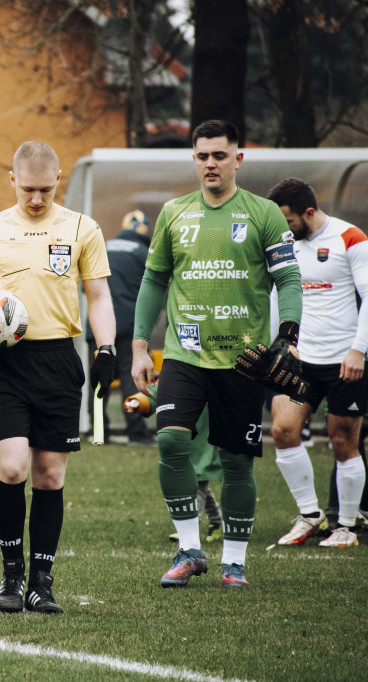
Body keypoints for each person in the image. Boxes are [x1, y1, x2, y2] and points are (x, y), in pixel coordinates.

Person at [131, 120, 304, 590]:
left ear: (237, 159)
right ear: (194, 159)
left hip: (244, 358)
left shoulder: (264, 213)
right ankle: (189, 550)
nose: (210, 163)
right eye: (203, 156)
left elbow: (288, 280)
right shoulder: (173, 212)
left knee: (235, 462)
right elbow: (153, 281)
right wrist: (140, 346)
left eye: (220, 155)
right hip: (185, 355)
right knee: (170, 442)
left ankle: (233, 562)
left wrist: (287, 336)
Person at [0, 140, 116, 615]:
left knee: (49, 476)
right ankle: (11, 574)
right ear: (12, 181)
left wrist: (105, 346)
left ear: (58, 180)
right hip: (4, 363)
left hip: (58, 360)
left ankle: (42, 582)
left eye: (46, 189)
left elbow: (99, 296)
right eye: (28, 189)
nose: (37, 199)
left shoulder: (82, 228)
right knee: (12, 469)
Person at [265, 178, 367, 548]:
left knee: (343, 443)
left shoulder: (351, 238)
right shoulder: (284, 243)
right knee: (283, 430)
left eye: (288, 220)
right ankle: (310, 516)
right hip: (299, 360)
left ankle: (346, 527)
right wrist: (279, 342)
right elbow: (277, 292)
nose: (284, 228)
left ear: (309, 212)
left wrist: (359, 349)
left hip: (344, 361)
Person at [86, 210, 154, 445]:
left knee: (98, 379)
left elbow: (87, 287)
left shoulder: (102, 247)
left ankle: (98, 433)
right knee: (129, 379)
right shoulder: (143, 253)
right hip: (129, 326)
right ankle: (136, 433)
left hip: (97, 325)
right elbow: (153, 291)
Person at [123, 386, 223, 543]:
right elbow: (164, 387)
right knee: (197, 483)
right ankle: (217, 521)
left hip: (205, 441)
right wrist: (140, 401)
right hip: (183, 438)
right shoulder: (182, 370)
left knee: (198, 482)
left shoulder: (216, 374)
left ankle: (190, 529)